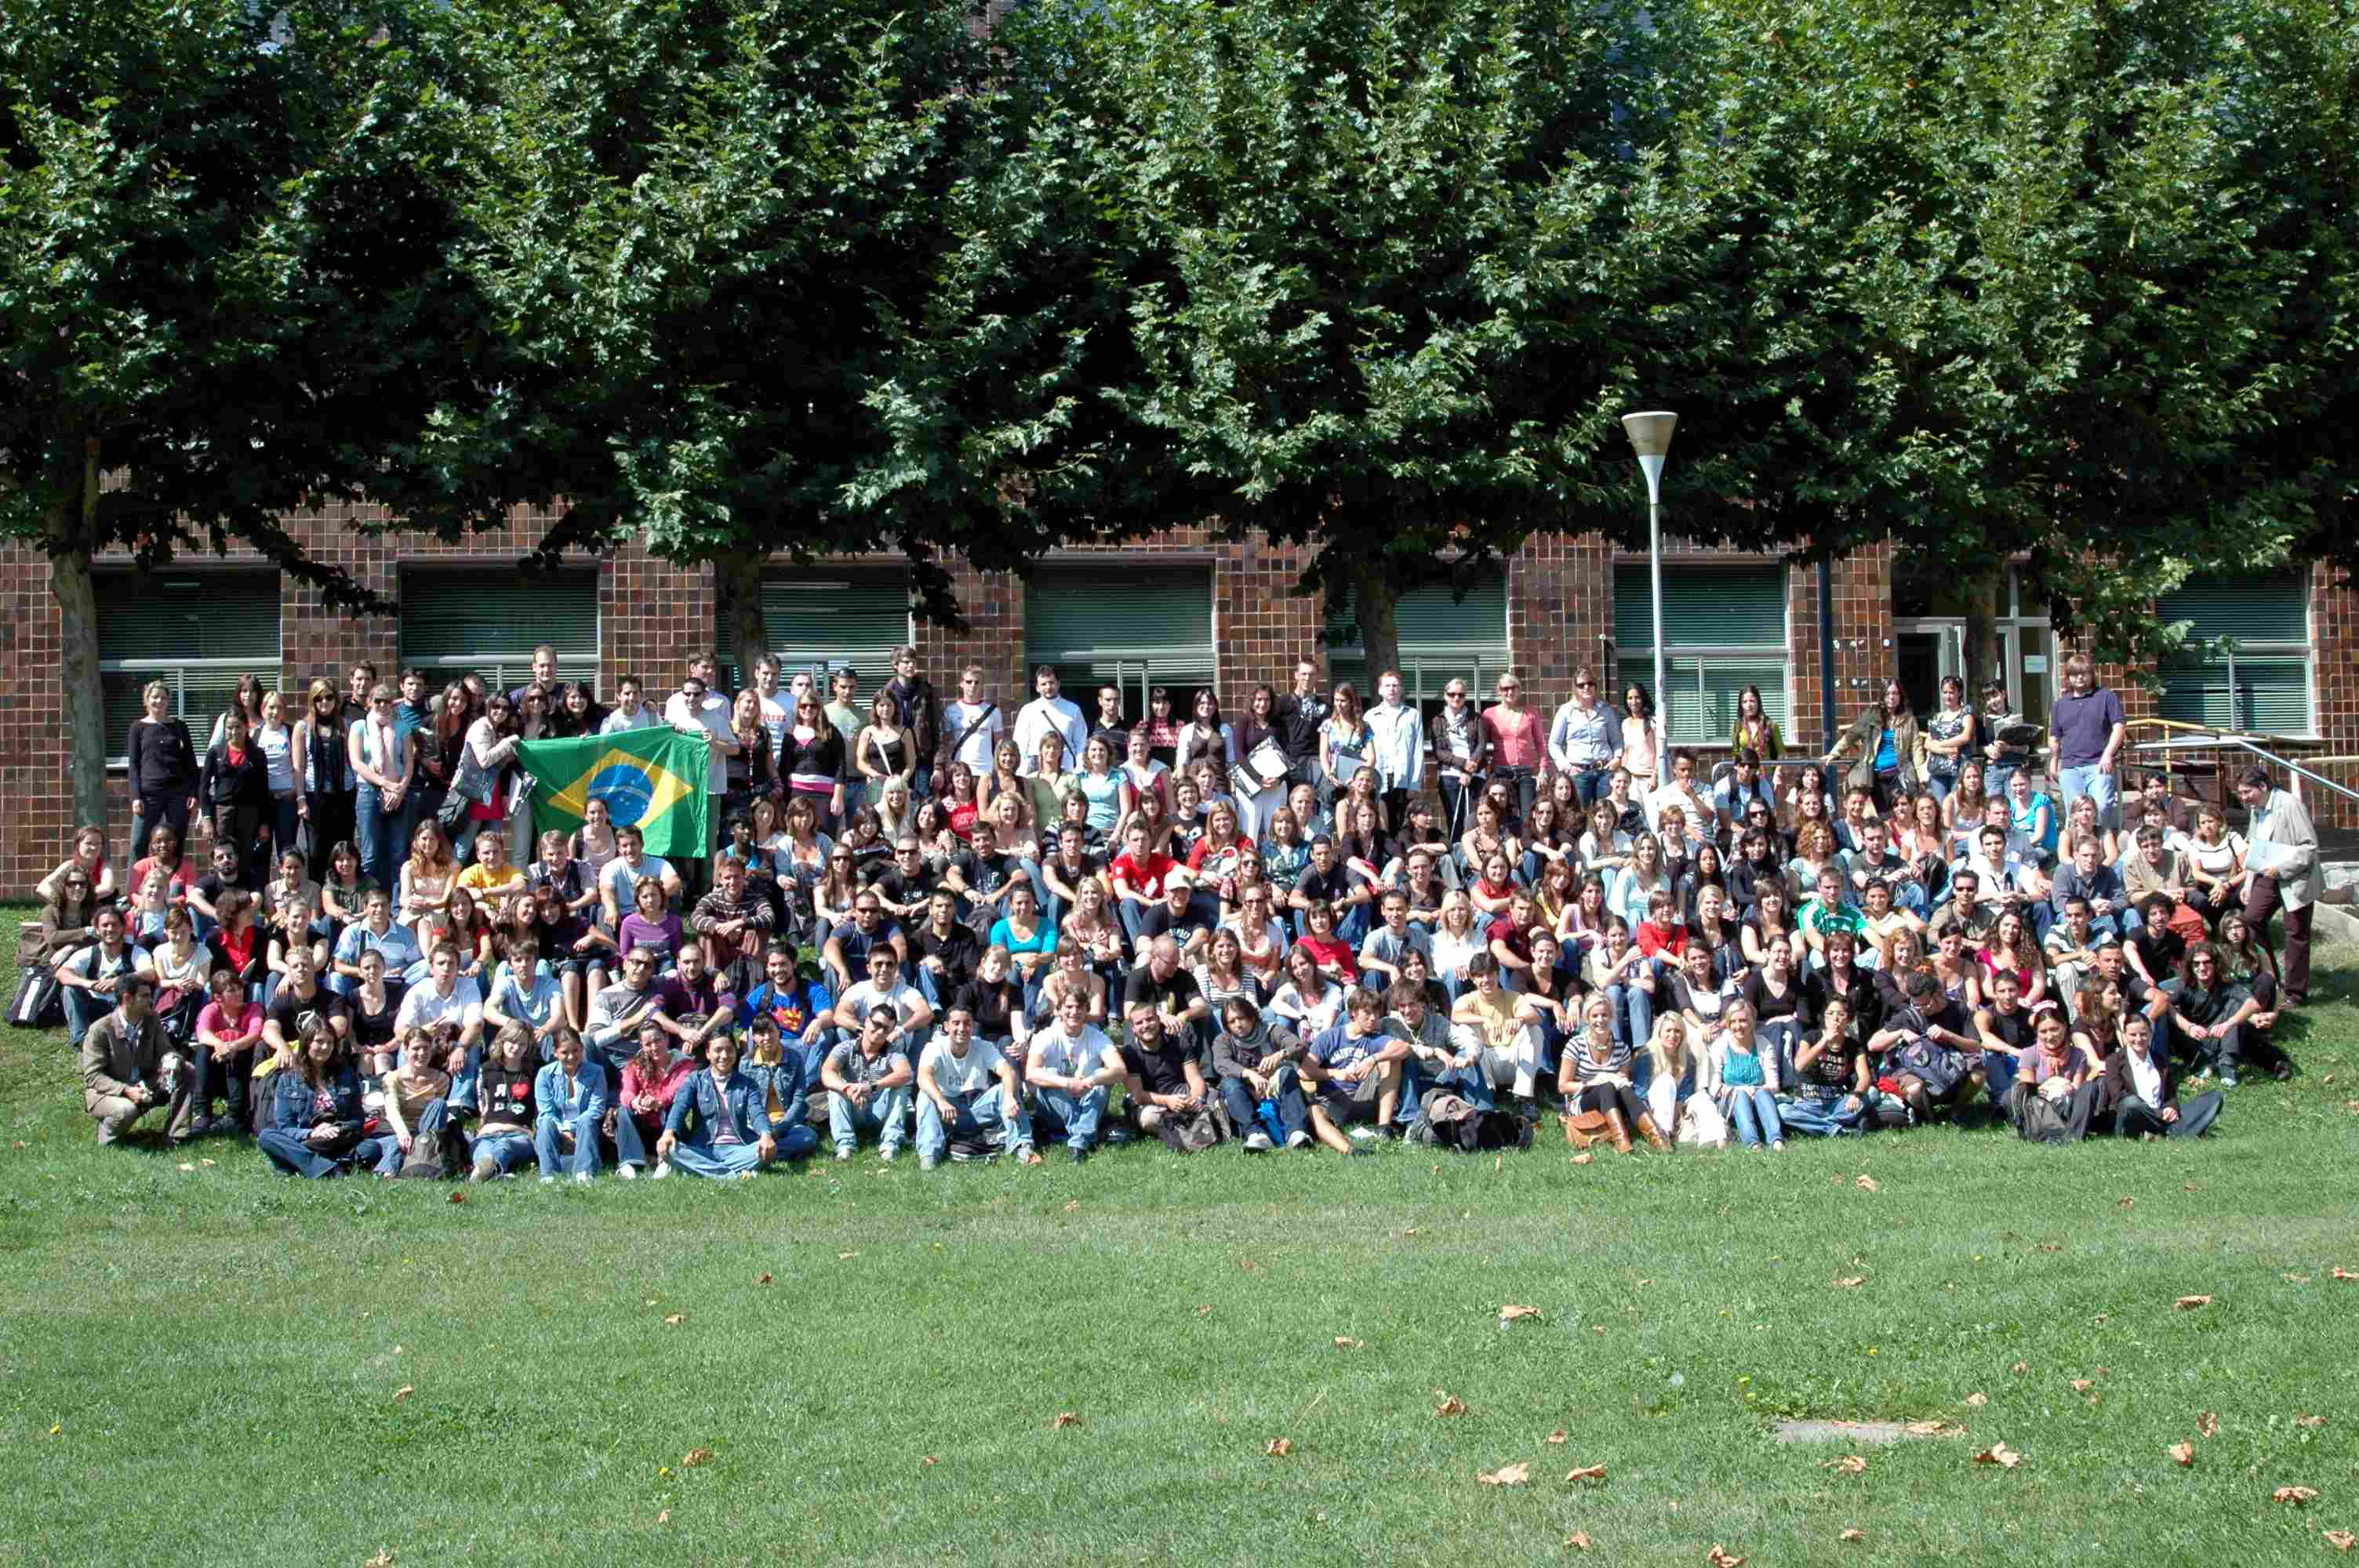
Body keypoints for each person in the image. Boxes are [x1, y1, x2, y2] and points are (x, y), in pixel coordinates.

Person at [914, 1003, 1038, 1168]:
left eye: (967, 1023)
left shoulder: (983, 1046)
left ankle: (1022, 1146)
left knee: (1006, 1088)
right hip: (948, 1112)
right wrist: (941, 1101)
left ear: (972, 1027)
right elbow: (923, 1077)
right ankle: (929, 1155)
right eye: (956, 1023)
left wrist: (1008, 1097)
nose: (962, 1028)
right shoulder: (934, 1048)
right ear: (946, 1027)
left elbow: (1008, 1072)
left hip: (978, 1107)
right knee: (925, 1096)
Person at [79, 973, 194, 1148]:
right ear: (128, 998)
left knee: (186, 1069)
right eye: (145, 996)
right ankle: (107, 1137)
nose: (151, 1000)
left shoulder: (152, 1019)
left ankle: (174, 1136)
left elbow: (166, 1050)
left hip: (146, 1085)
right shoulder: (100, 1030)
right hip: (108, 1093)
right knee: (126, 1110)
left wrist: (172, 1060)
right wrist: (126, 1090)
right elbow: (94, 1077)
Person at [2235, 765, 2316, 1008]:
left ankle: (2295, 994)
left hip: (2296, 876)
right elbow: (2254, 846)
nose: (2243, 798)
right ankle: (2271, 978)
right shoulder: (2255, 809)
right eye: (2240, 793)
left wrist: (2282, 870)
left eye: (2247, 792)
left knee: (2296, 933)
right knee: (2251, 919)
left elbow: (2308, 848)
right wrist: (2249, 882)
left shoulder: (2290, 805)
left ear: (2263, 787)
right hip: (2267, 875)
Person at [652, 1030, 781, 1179]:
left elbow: (757, 1113)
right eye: (718, 1050)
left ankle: (700, 1169)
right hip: (704, 1148)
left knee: (766, 1150)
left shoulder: (748, 1084)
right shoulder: (695, 1080)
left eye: (729, 1050)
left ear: (735, 1052)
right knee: (670, 1150)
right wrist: (668, 1133)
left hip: (739, 1148)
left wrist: (765, 1134)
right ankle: (732, 1175)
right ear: (708, 1053)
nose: (724, 1056)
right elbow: (679, 1108)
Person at [1301, 986, 1407, 1150]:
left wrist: (1373, 1059)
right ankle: (1348, 1150)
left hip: (1363, 1097)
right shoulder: (1329, 1037)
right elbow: (1305, 1071)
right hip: (1332, 1102)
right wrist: (1335, 1073)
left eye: (1376, 1013)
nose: (1373, 1018)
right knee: (1314, 1111)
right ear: (1353, 1013)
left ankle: (1384, 1128)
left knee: (1392, 1059)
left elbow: (1404, 1048)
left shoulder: (1375, 1039)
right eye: (1367, 1013)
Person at [1558, 992, 1667, 1152]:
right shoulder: (1576, 1045)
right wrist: (1593, 1083)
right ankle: (1621, 1139)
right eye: (1595, 1016)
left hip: (1613, 1102)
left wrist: (1618, 1079)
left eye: (1604, 1015)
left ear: (1611, 1017)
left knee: (1622, 1087)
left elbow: (1623, 1079)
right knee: (1607, 1086)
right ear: (1587, 1019)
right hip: (1582, 1100)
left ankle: (1657, 1137)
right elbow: (1563, 1087)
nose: (1600, 1020)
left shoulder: (1621, 1048)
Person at [258, 1017, 365, 1177]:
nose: (325, 1047)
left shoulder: (347, 1075)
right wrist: (311, 1133)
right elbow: (285, 1127)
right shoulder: (288, 1079)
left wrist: (336, 1128)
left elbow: (358, 1119)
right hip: (308, 1139)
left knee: (372, 1148)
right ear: (307, 1043)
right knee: (267, 1136)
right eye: (319, 1041)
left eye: (330, 1042)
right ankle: (329, 1168)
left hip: (338, 1138)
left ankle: (297, 1162)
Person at [1025, 989, 1121, 1163]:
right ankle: (1084, 1135)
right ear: (1060, 1009)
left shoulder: (1098, 1037)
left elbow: (1120, 1070)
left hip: (1087, 1102)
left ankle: (1077, 1141)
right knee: (1051, 1074)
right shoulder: (1045, 1036)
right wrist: (1067, 1083)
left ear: (1086, 1010)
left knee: (1102, 1075)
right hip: (1056, 1109)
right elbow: (1031, 1072)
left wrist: (1093, 1080)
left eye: (1080, 1007)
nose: (1074, 1012)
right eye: (1069, 1007)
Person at [2099, 1011, 2223, 1139]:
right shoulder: (2114, 1061)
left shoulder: (2159, 1060)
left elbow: (2170, 1095)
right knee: (2131, 1103)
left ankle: (2169, 1132)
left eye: (2143, 1034)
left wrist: (2171, 1108)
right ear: (2125, 1036)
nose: (2138, 1039)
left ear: (2150, 1034)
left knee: (2214, 1097)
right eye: (2132, 1035)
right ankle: (2176, 1131)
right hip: (2136, 1116)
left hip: (2162, 1115)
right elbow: (2118, 1096)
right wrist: (2159, 1114)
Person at [1212, 996, 1313, 1152]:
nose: (1238, 1025)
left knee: (1288, 1073)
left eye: (1241, 1018)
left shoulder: (1271, 1030)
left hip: (1274, 1088)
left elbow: (1300, 1045)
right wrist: (1250, 1075)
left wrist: (1280, 1054)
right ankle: (1256, 1135)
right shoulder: (1223, 1040)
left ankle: (1297, 1132)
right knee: (1229, 1084)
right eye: (1232, 1021)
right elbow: (1221, 1063)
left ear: (1252, 1017)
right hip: (1245, 1091)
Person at [822, 1008, 915, 1161]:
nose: (880, 1031)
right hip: (854, 1109)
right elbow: (827, 1072)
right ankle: (846, 1147)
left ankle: (889, 1146)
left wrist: (871, 1087)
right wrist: (848, 1089)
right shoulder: (846, 1047)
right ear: (866, 1021)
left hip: (881, 1110)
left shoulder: (893, 1051)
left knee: (902, 1087)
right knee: (835, 1090)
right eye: (877, 1024)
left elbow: (906, 1073)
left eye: (886, 1029)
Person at [56, 906, 155, 1049]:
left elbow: (150, 973)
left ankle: (126, 1037)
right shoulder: (89, 952)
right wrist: (89, 984)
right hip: (94, 1004)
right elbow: (61, 973)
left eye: (115, 924)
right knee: (69, 990)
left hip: (122, 1007)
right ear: (97, 929)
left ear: (122, 927)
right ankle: (81, 1040)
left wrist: (120, 980)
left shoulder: (135, 952)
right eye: (105, 925)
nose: (110, 929)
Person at [347, 682, 413, 893]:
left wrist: (400, 789)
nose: (383, 705)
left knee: (398, 852)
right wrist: (385, 784)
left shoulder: (402, 727)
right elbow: (357, 763)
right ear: (369, 703)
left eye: (387, 701)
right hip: (369, 790)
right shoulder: (359, 726)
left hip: (398, 792)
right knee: (370, 853)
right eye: (378, 701)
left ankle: (395, 904)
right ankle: (369, 900)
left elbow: (409, 762)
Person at [2051, 654, 2128, 830]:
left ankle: (2103, 850)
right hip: (2070, 768)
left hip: (2099, 765)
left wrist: (2108, 754)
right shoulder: (2060, 705)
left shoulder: (2106, 696)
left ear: (2092, 674)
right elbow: (2054, 737)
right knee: (2075, 816)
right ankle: (2078, 854)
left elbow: (2119, 726)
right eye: (2075, 674)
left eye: (2084, 673)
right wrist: (2054, 763)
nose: (2080, 677)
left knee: (2100, 808)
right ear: (2068, 677)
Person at [1825, 678, 1921, 811]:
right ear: (1882, 696)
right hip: (1877, 776)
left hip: (1899, 774)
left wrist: (1922, 776)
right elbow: (1851, 735)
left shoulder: (1908, 719)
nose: (1891, 697)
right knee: (1884, 816)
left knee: (1902, 813)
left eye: (1895, 693)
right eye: (1887, 694)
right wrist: (1834, 753)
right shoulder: (1871, 715)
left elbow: (1916, 749)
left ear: (1900, 696)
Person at [377, 1026, 459, 1178]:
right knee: (397, 1143)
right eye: (416, 1049)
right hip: (398, 1132)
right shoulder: (392, 1078)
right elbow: (392, 1109)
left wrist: (419, 1138)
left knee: (439, 1105)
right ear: (406, 1050)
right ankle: (389, 1172)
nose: (421, 1053)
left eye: (425, 1048)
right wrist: (403, 1133)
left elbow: (436, 1117)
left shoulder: (441, 1079)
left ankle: (421, 1156)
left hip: (426, 1132)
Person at [527, 1026, 605, 1182]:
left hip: (585, 1127)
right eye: (564, 1052)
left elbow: (596, 1108)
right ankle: (549, 1175)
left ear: (582, 1049)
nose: (571, 1056)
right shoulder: (544, 1074)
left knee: (586, 1120)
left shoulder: (597, 1072)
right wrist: (564, 1130)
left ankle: (584, 1173)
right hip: (557, 1127)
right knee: (545, 1123)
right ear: (555, 1053)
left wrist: (571, 1128)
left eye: (576, 1051)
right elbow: (546, 1110)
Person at [1705, 997, 1784, 1149]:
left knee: (1762, 1093)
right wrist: (1740, 1091)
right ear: (1728, 1024)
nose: (1738, 1026)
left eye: (1743, 1021)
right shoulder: (1720, 1046)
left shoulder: (1764, 1045)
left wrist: (1756, 1090)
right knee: (1739, 1096)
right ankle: (1753, 1143)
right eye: (1733, 1022)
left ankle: (1776, 1140)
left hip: (1759, 1098)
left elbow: (1773, 1084)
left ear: (1752, 1022)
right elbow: (1714, 1087)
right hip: (1730, 1100)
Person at [1481, 671, 1543, 821]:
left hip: (1525, 773)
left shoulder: (1531, 713)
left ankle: (1526, 844)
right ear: (1499, 691)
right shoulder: (1489, 714)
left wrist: (1543, 771)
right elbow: (1481, 743)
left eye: (1513, 687)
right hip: (1501, 773)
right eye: (1505, 688)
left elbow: (1541, 743)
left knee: (1527, 817)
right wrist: (1485, 769)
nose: (1509, 691)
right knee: (1501, 815)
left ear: (1519, 690)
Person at [1012, 665, 1089, 781]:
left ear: (1058, 684)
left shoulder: (1073, 709)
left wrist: (1079, 768)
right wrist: (1021, 772)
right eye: (1043, 684)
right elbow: (1020, 745)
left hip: (1066, 771)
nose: (1048, 687)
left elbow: (1081, 742)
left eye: (1052, 683)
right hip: (1035, 772)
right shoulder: (1028, 710)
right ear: (1037, 687)